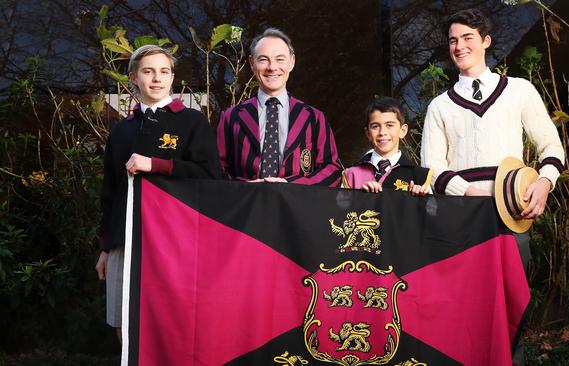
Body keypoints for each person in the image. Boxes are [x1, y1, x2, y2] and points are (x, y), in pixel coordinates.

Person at [420, 9, 565, 364]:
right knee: (464, 308)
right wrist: (468, 191)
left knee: (514, 303)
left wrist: (545, 182)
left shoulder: (519, 90)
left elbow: (551, 146)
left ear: (486, 41)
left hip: (512, 215)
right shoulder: (440, 106)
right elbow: (431, 169)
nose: (459, 46)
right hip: (462, 219)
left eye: (468, 38)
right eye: (453, 40)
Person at [95, 45, 221, 341]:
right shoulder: (121, 131)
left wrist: (157, 165)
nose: (157, 78)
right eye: (148, 71)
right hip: (124, 241)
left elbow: (211, 175)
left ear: (172, 77)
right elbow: (110, 194)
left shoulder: (191, 122)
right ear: (133, 78)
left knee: (171, 325)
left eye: (164, 71)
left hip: (174, 241)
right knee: (123, 324)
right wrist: (105, 247)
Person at [216, 28, 342, 186]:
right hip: (247, 206)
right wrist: (246, 187)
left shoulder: (314, 118)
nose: (272, 67)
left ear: (292, 62)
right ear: (251, 63)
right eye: (263, 59)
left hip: (297, 208)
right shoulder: (230, 117)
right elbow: (217, 170)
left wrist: (291, 185)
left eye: (280, 59)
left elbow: (332, 169)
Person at [342, 96, 431, 196]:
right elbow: (341, 209)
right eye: (375, 126)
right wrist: (359, 197)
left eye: (389, 125)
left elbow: (431, 210)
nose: (382, 132)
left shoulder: (419, 176)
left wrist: (421, 200)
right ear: (368, 133)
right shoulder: (352, 173)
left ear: (403, 130)